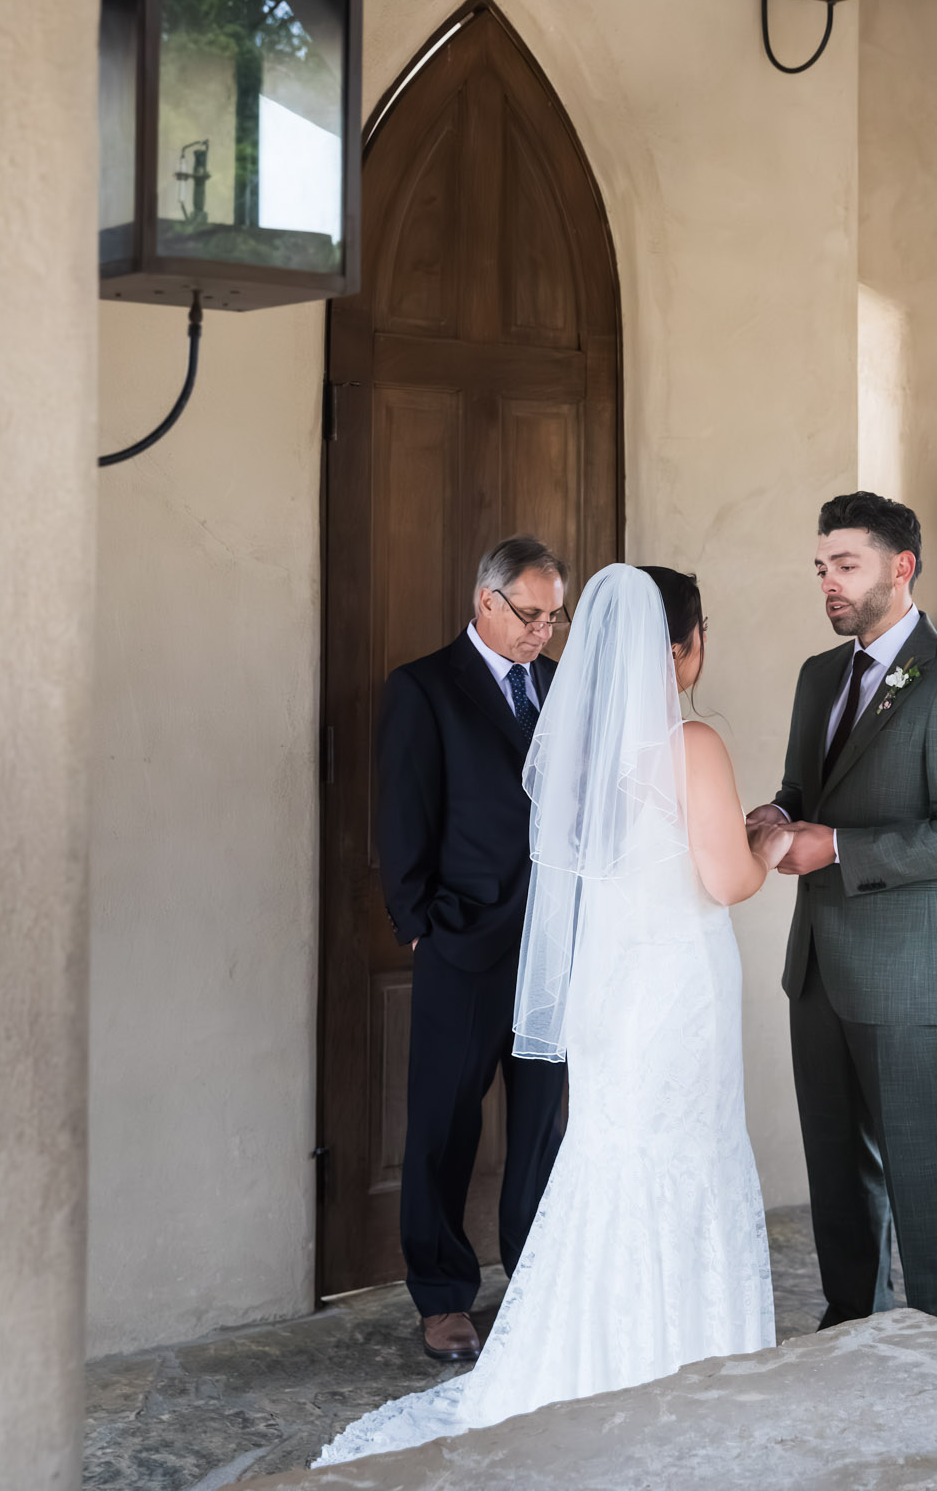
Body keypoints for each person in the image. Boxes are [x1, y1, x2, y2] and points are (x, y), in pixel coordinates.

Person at [318, 564, 791, 1465]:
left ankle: (592, 1350)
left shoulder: (578, 749)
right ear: (682, 648)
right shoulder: (691, 745)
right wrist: (763, 840)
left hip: (611, 997)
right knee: (683, 1155)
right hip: (675, 993)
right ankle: (685, 1352)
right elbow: (725, 878)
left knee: (606, 1161)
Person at [747, 491, 937, 1333]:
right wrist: (777, 821)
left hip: (912, 974)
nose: (827, 582)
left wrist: (843, 852)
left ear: (901, 569)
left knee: (924, 1171)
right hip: (818, 962)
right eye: (821, 567)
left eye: (846, 565)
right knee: (835, 1165)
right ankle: (852, 1326)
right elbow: (802, 793)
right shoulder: (817, 676)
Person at [375, 536, 571, 1363]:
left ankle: (530, 1285)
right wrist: (419, 920)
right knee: (443, 1127)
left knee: (539, 1129)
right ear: (487, 602)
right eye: (531, 615)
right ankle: (443, 1295)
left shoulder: (562, 686)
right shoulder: (422, 687)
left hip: (555, 946)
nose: (543, 633)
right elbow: (400, 812)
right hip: (463, 940)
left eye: (554, 617)